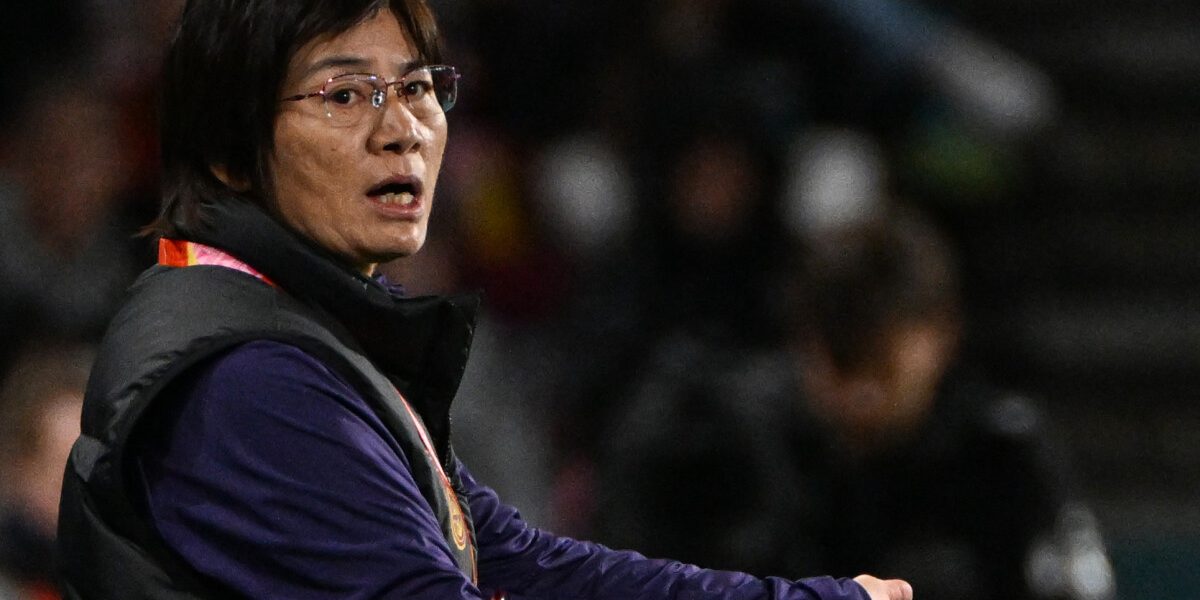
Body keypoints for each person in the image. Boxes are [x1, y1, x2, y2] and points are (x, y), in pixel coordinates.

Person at [56, 1, 912, 599]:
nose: (404, 128)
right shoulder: (250, 383)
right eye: (345, 93)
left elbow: (518, 565)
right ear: (231, 154)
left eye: (421, 85)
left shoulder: (297, 338)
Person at [594, 211, 1113, 600]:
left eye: (884, 368)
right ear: (802, 344)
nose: (862, 396)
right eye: (841, 366)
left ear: (942, 338)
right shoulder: (714, 440)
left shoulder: (1001, 457)